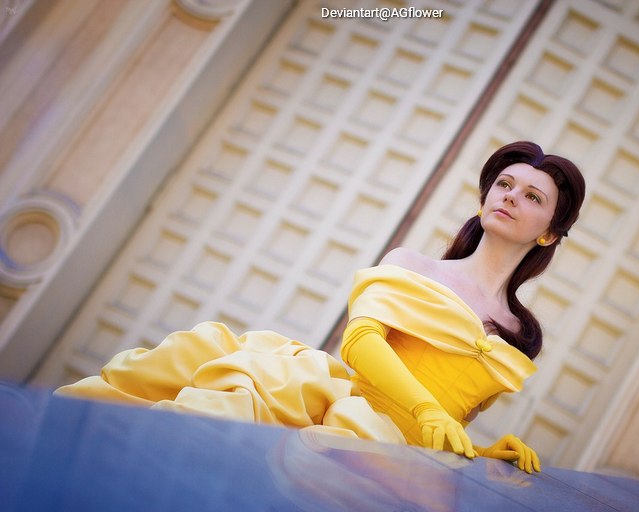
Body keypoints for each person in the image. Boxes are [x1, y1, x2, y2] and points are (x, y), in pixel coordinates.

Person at [56, 141, 585, 474]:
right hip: (341, 409)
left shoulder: (522, 334)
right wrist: (424, 408)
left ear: (550, 234)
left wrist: (479, 451)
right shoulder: (416, 266)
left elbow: (450, 417)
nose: (511, 196)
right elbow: (360, 341)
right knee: (214, 413)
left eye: (533, 197)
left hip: (401, 459)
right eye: (504, 184)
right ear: (484, 198)